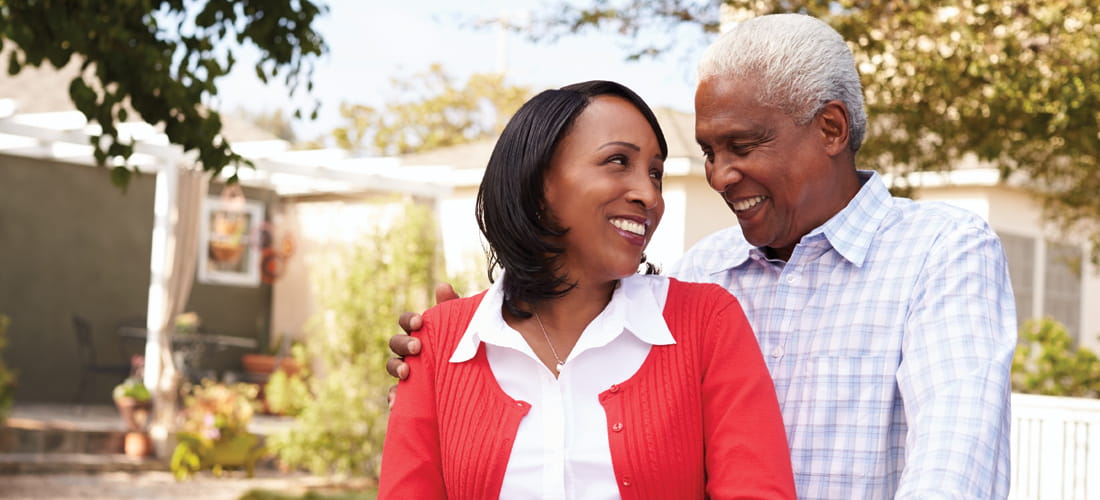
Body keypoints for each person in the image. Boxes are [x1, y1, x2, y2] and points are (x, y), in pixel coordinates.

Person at [388, 13, 1017, 499]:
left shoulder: (940, 251)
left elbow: (954, 464)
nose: (719, 177)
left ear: (830, 129)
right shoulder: (699, 272)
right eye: (709, 152)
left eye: (742, 145)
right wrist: (463, 342)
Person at [379, 80, 796, 499]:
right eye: (618, 161)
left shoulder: (707, 323)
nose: (648, 194)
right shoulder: (436, 342)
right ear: (539, 182)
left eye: (656, 174)